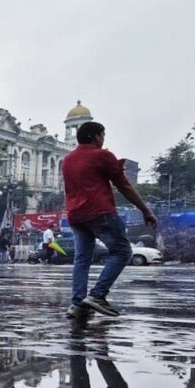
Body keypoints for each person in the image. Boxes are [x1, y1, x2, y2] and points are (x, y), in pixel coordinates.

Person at [62, 122, 157, 317]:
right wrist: (145, 210)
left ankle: (78, 304)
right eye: (103, 135)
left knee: (82, 259)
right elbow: (124, 185)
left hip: (75, 215)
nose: (104, 138)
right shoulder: (102, 155)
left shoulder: (68, 159)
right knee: (122, 251)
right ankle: (98, 295)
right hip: (99, 211)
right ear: (96, 136)